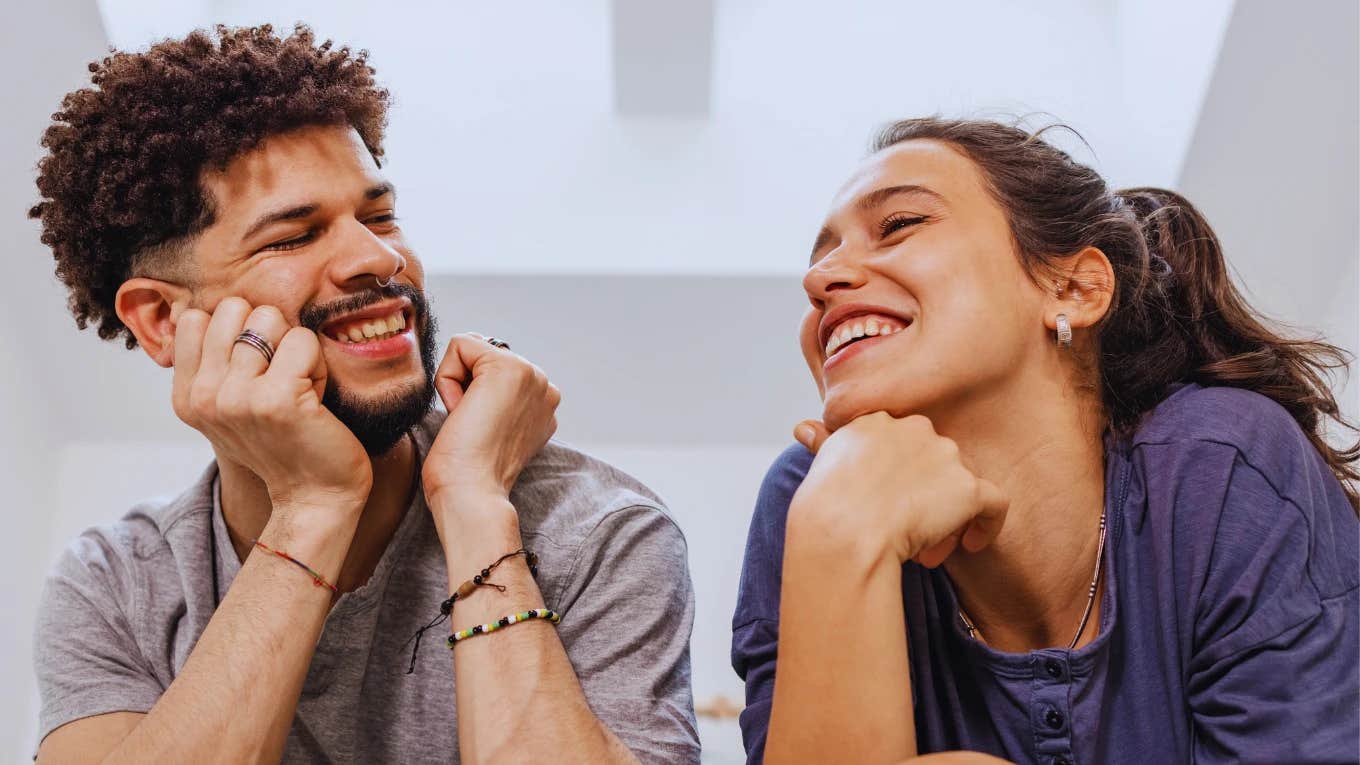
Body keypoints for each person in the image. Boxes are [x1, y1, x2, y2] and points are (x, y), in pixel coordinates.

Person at [30, 24, 697, 764]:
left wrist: (474, 504)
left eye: (379, 216)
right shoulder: (116, 585)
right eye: (292, 236)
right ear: (162, 320)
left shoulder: (595, 529)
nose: (380, 258)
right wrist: (312, 507)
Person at [731, 117, 1359, 764]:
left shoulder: (1219, 466)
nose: (820, 279)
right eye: (819, 259)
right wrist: (839, 537)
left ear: (1074, 288)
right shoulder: (810, 501)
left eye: (899, 225)